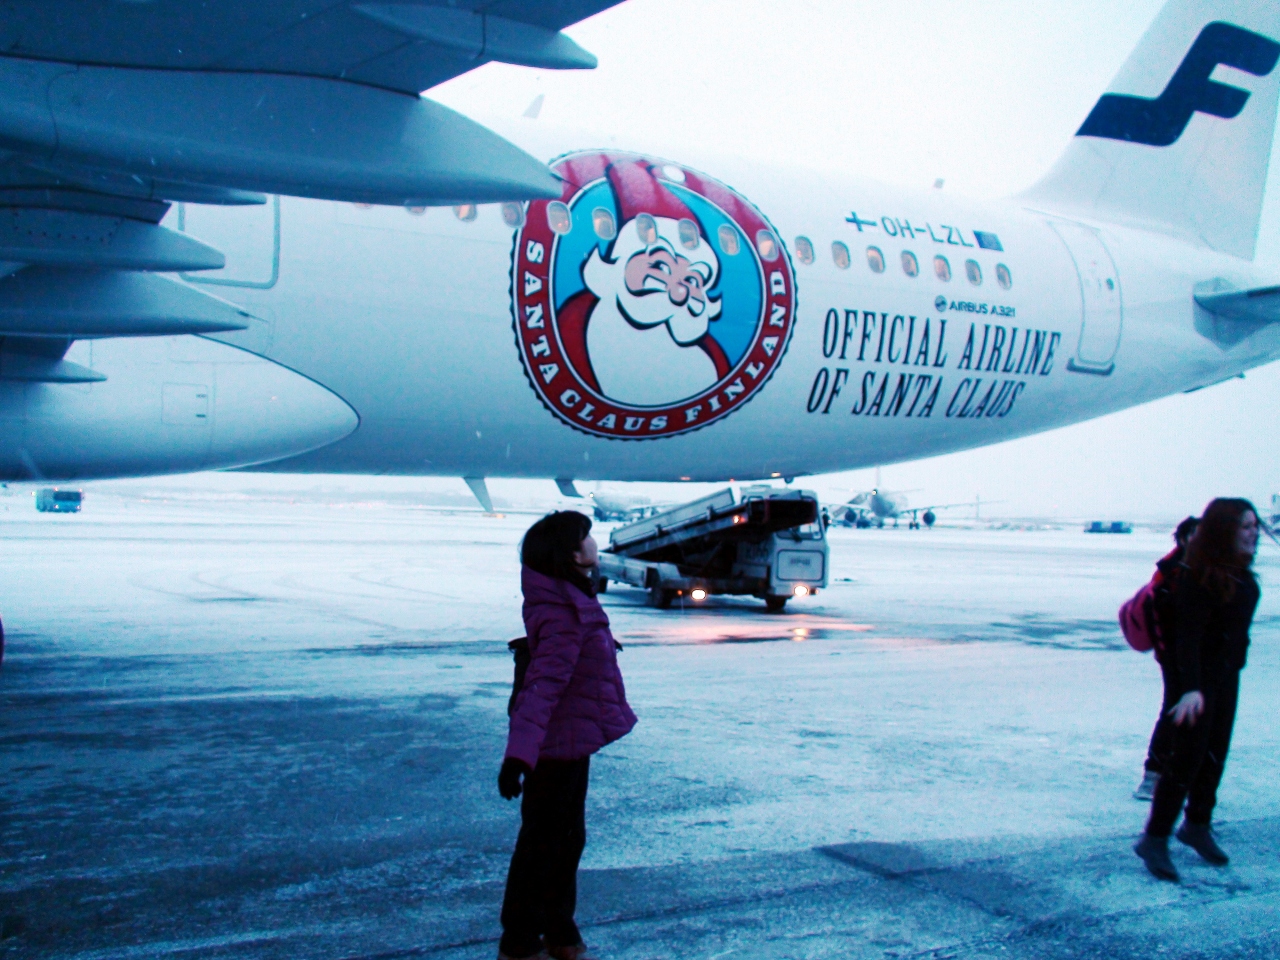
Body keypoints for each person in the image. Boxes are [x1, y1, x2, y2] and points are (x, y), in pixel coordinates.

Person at [498, 511, 638, 960]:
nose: (595, 543)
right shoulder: (565, 612)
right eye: (587, 538)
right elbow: (543, 687)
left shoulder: (570, 598)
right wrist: (518, 758)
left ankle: (559, 931)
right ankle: (520, 941)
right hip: (553, 748)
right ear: (572, 555)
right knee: (543, 845)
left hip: (570, 742)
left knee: (565, 840)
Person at [1134, 499, 1260, 882]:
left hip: (1226, 677)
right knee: (1187, 759)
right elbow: (1186, 639)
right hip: (1197, 682)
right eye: (1245, 527)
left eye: (1255, 526)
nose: (1254, 533)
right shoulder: (1198, 577)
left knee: (1215, 754)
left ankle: (1197, 825)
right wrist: (1190, 689)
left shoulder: (1239, 573)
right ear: (1225, 531)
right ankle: (1155, 838)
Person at [1133, 515, 1199, 801]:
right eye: (1196, 535)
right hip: (1174, 655)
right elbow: (1166, 619)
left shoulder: (1205, 569)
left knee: (1195, 716)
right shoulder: (1172, 572)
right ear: (1184, 539)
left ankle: (1179, 774)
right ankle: (1154, 774)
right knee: (1174, 711)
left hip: (1197, 656)